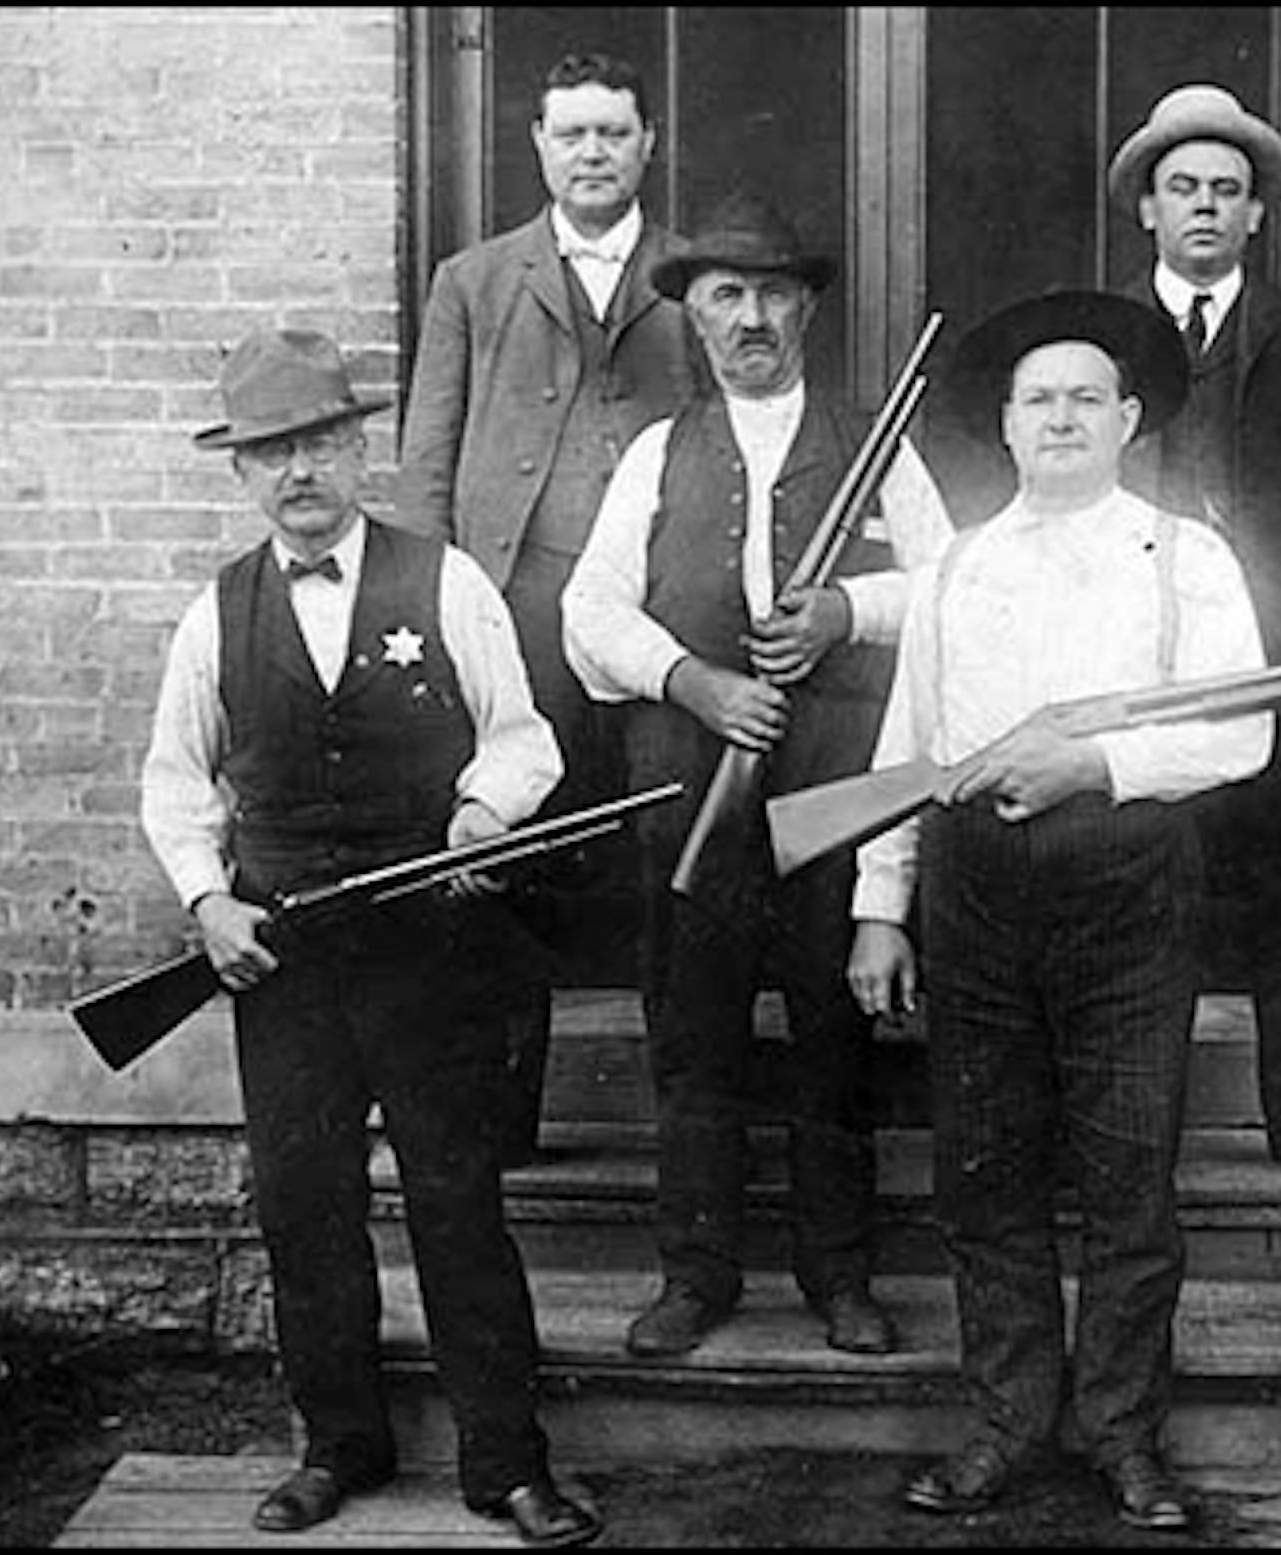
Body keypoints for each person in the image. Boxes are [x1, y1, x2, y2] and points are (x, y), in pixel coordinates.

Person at [139, 328, 601, 1547]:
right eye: (271, 451)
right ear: (244, 471)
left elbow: (523, 737)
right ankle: (338, 1446)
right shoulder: (216, 613)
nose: (299, 470)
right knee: (306, 1209)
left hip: (429, 954)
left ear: (359, 449)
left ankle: (507, 1462)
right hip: (284, 965)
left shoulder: (446, 582)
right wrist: (209, 902)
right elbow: (176, 781)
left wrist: (480, 811)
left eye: (319, 442)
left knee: (457, 1201)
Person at [847, 292, 1271, 1532]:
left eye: (1089, 396)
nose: (1064, 417)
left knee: (1129, 1178)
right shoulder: (956, 566)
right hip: (977, 893)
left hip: (1130, 886)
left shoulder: (1187, 557)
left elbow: (1241, 734)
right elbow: (909, 746)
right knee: (987, 1177)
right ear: (1006, 423)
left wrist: (1094, 765)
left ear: (1130, 419)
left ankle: (1124, 1436)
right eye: (1040, 398)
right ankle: (1007, 1424)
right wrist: (881, 905)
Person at [560, 192, 954, 1361]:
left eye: (773, 294)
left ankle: (841, 1277)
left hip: (839, 783)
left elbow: (954, 591)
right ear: (692, 315)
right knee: (695, 1035)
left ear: (807, 310)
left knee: (836, 1028)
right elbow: (590, 613)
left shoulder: (878, 442)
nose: (751, 318)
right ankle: (697, 1275)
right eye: (725, 295)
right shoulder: (655, 452)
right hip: (692, 784)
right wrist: (693, 683)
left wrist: (847, 611)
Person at [397, 51, 704, 1167]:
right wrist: (431, 608)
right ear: (538, 145)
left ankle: (683, 1119)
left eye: (613, 133)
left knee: (666, 836)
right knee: (511, 834)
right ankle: (503, 1118)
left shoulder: (695, 275)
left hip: (653, 611)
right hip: (514, 601)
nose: (592, 153)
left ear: (648, 144)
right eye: (571, 134)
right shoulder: (474, 281)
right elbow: (428, 457)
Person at [1107, 84, 1281, 1191]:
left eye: (1227, 190)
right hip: (1142, 674)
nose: (1205, 207)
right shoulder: (1104, 339)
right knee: (1143, 898)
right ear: (1148, 207)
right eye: (1182, 187)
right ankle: (1136, 1131)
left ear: (1258, 213)